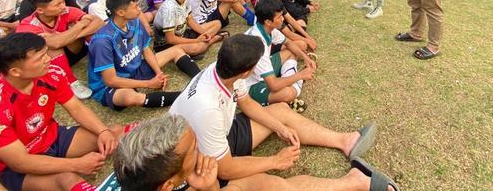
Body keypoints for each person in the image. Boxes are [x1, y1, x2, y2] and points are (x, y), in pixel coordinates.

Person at [169, 34, 398, 191]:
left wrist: (280, 128)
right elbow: (226, 169)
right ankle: (354, 182)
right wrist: (274, 161)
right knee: (272, 185)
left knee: (278, 110)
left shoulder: (222, 71)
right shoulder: (206, 108)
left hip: (215, 137)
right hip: (198, 163)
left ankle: (346, 141)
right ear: (247, 71)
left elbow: (247, 104)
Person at [0, 32, 125, 191]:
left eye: (46, 53)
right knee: (66, 178)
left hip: (50, 137)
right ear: (15, 71)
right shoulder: (0, 104)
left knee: (114, 134)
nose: (48, 59)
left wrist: (103, 131)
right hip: (19, 164)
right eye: (40, 57)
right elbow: (20, 162)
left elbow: (76, 108)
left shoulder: (52, 73)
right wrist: (77, 165)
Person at [88, 0, 201, 111]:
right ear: (120, 12)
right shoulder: (102, 41)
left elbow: (145, 49)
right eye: (135, 7)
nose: (140, 10)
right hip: (111, 84)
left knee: (176, 50)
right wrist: (149, 84)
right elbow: (111, 80)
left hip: (135, 69)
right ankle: (184, 97)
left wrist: (158, 73)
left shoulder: (134, 22)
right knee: (129, 98)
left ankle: (200, 79)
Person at [100, 114, 225, 191]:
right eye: (193, 148)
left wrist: (208, 187)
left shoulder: (130, 169)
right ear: (168, 186)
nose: (198, 147)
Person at [16, 0, 103, 99]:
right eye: (58, 4)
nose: (63, 6)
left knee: (93, 33)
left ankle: (105, 65)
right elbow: (56, 44)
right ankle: (71, 82)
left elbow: (98, 22)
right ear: (41, 10)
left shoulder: (65, 11)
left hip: (72, 50)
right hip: (48, 62)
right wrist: (79, 25)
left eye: (63, 2)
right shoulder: (28, 25)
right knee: (50, 47)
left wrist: (73, 33)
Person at [244, 0, 315, 107]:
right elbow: (273, 86)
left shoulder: (267, 29)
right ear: (268, 21)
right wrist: (300, 76)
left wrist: (306, 59)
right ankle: (294, 79)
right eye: (279, 17)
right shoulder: (258, 44)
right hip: (251, 85)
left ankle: (288, 76)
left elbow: (289, 43)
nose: (282, 19)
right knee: (288, 93)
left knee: (295, 48)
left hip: (262, 73)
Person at [153, 0, 224, 57]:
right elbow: (170, 39)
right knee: (197, 47)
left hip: (182, 34)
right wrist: (196, 40)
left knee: (217, 23)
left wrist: (204, 33)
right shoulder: (169, 9)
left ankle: (204, 41)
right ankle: (213, 39)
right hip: (166, 44)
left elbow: (190, 20)